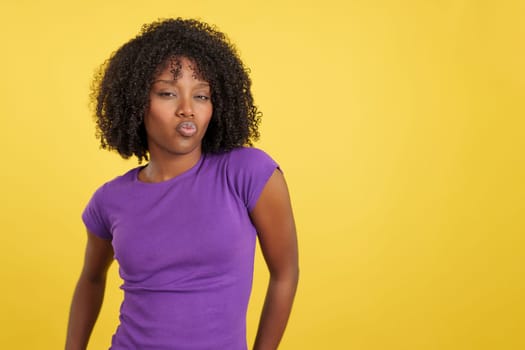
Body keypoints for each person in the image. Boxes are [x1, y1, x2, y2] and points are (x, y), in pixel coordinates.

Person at [65, 18, 299, 350]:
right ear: (136, 103)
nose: (187, 109)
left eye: (201, 95)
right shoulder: (109, 200)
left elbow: (285, 273)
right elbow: (91, 277)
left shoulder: (248, 173)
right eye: (168, 93)